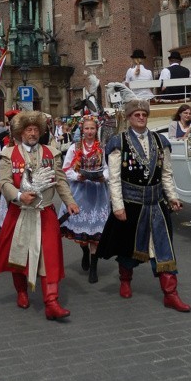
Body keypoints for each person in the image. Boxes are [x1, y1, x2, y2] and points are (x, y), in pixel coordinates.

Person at [97, 99, 191, 312]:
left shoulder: (160, 141)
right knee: (128, 248)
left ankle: (170, 294)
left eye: (144, 115)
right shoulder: (118, 142)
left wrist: (173, 196)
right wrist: (117, 206)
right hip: (131, 204)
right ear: (129, 118)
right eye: (136, 115)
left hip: (156, 204)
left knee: (164, 249)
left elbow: (166, 173)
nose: (141, 118)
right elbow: (114, 177)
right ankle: (125, 279)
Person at [0, 110, 79, 321]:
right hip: (19, 212)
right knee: (20, 254)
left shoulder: (51, 153)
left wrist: (70, 202)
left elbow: (61, 181)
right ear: (20, 132)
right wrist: (19, 196)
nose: (33, 133)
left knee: (50, 255)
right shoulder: (8, 154)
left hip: (45, 212)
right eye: (28, 129)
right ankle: (21, 291)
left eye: (36, 129)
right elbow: (4, 182)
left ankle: (51, 302)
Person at [58, 114, 110, 284]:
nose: (89, 131)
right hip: (81, 191)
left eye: (92, 128)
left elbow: (109, 169)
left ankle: (94, 268)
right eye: (86, 128)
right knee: (83, 231)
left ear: (96, 130)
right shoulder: (75, 148)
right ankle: (84, 251)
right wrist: (76, 176)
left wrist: (104, 177)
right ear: (82, 129)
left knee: (95, 232)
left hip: (97, 192)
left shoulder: (102, 148)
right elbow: (65, 169)